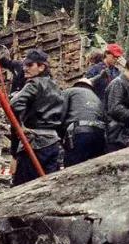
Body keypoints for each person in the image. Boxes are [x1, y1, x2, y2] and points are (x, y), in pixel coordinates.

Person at [9, 50, 65, 184]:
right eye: (24, 65)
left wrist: (22, 123)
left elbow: (15, 104)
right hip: (53, 143)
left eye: (29, 65)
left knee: (22, 187)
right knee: (46, 187)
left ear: (41, 67)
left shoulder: (34, 83)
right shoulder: (55, 85)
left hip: (35, 144)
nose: (25, 68)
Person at [61, 78, 107, 166]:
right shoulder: (96, 97)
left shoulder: (69, 92)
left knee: (73, 168)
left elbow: (60, 114)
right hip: (99, 134)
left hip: (79, 133)